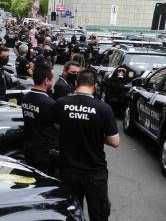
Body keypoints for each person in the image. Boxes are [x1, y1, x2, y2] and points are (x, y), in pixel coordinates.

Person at [51, 69, 120, 221]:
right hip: (94, 173)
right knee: (99, 214)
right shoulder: (104, 109)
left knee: (71, 212)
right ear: (94, 86)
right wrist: (95, 134)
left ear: (76, 83)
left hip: (68, 170)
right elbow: (115, 142)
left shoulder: (61, 103)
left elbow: (57, 127)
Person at [21, 64, 58, 176]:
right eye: (52, 79)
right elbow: (59, 126)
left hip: (29, 149)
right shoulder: (50, 103)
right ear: (46, 81)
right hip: (45, 153)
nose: (53, 82)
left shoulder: (26, 97)